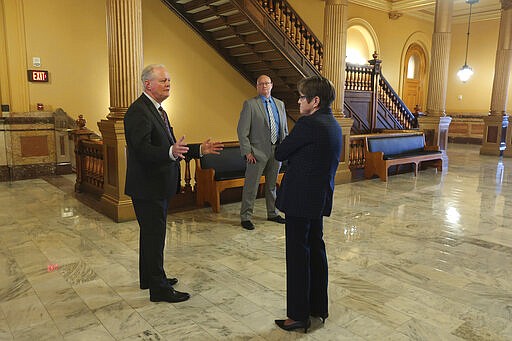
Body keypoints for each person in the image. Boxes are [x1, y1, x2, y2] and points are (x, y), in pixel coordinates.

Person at [124, 64, 223, 303]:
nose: (168, 84)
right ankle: (158, 289)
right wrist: (170, 151)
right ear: (148, 84)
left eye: (169, 80)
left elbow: (172, 147)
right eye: (163, 80)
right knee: (154, 236)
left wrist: (199, 149)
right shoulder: (139, 111)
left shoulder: (158, 110)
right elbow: (143, 149)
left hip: (157, 185)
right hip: (148, 187)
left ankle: (149, 278)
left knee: (151, 235)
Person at [273, 76, 342, 332]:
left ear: (315, 101)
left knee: (298, 255)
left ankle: (298, 315)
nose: (299, 101)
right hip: (317, 198)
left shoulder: (308, 124)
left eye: (302, 97)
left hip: (300, 200)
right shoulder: (332, 124)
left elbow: (281, 152)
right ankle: (317, 307)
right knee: (315, 249)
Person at [237, 75, 289, 230]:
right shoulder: (250, 105)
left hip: (276, 152)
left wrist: (285, 149)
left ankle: (272, 213)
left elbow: (284, 129)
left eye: (267, 83)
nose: (264, 86)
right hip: (256, 154)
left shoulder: (280, 104)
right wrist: (247, 152)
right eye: (261, 84)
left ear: (272, 85)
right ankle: (246, 217)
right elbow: (242, 131)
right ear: (257, 86)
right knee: (251, 187)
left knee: (272, 185)